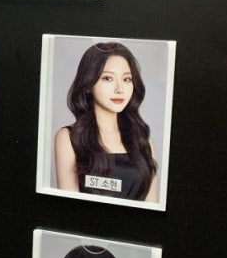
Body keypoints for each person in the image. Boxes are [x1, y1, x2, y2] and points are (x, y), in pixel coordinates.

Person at [54, 42, 158, 202]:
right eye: (108, 78)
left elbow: (151, 205)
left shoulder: (143, 139)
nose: (120, 89)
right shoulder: (68, 138)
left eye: (127, 79)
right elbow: (70, 208)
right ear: (88, 85)